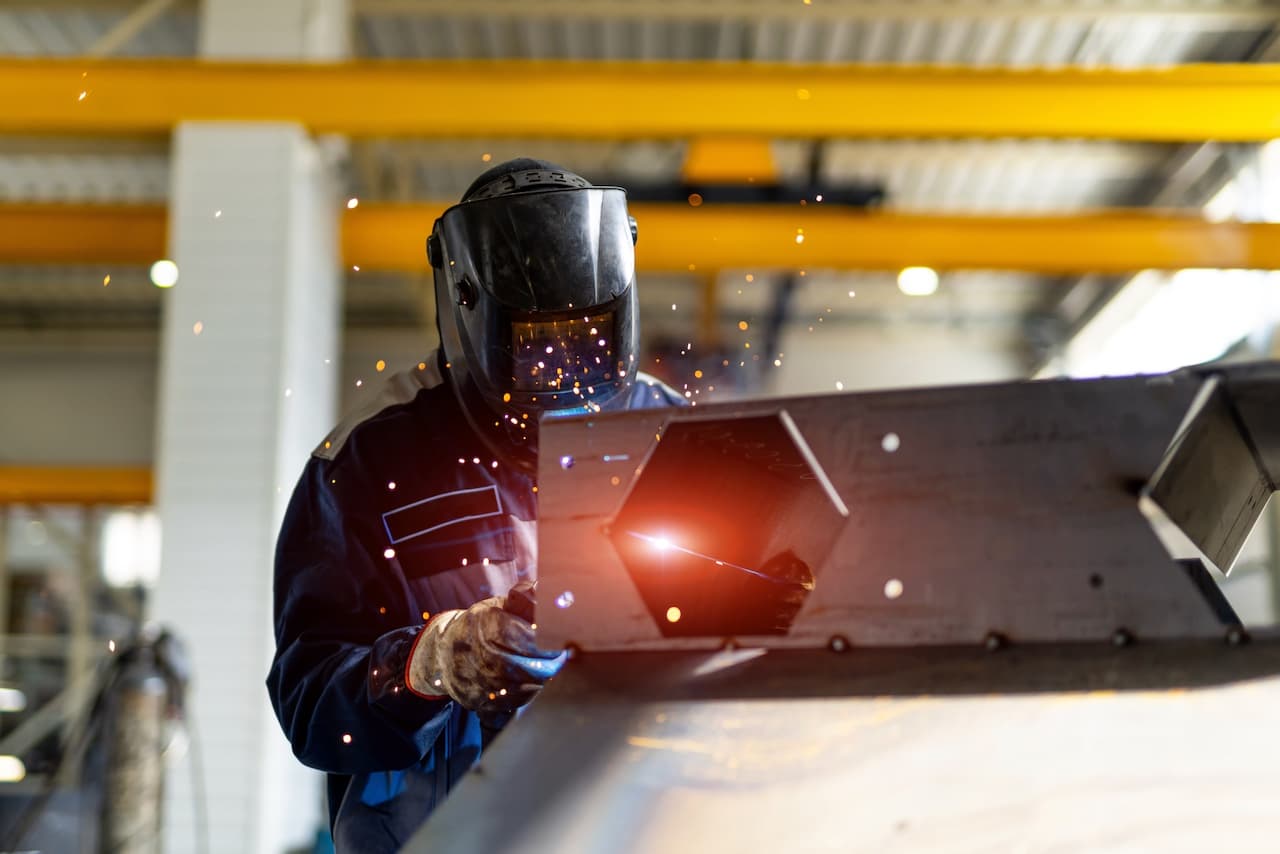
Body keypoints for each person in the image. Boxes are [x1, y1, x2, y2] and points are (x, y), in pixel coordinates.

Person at [266, 159, 684, 852]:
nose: (562, 366)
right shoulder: (368, 460)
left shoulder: (670, 435)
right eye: (536, 343)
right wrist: (430, 663)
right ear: (466, 306)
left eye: (583, 337)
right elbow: (312, 707)